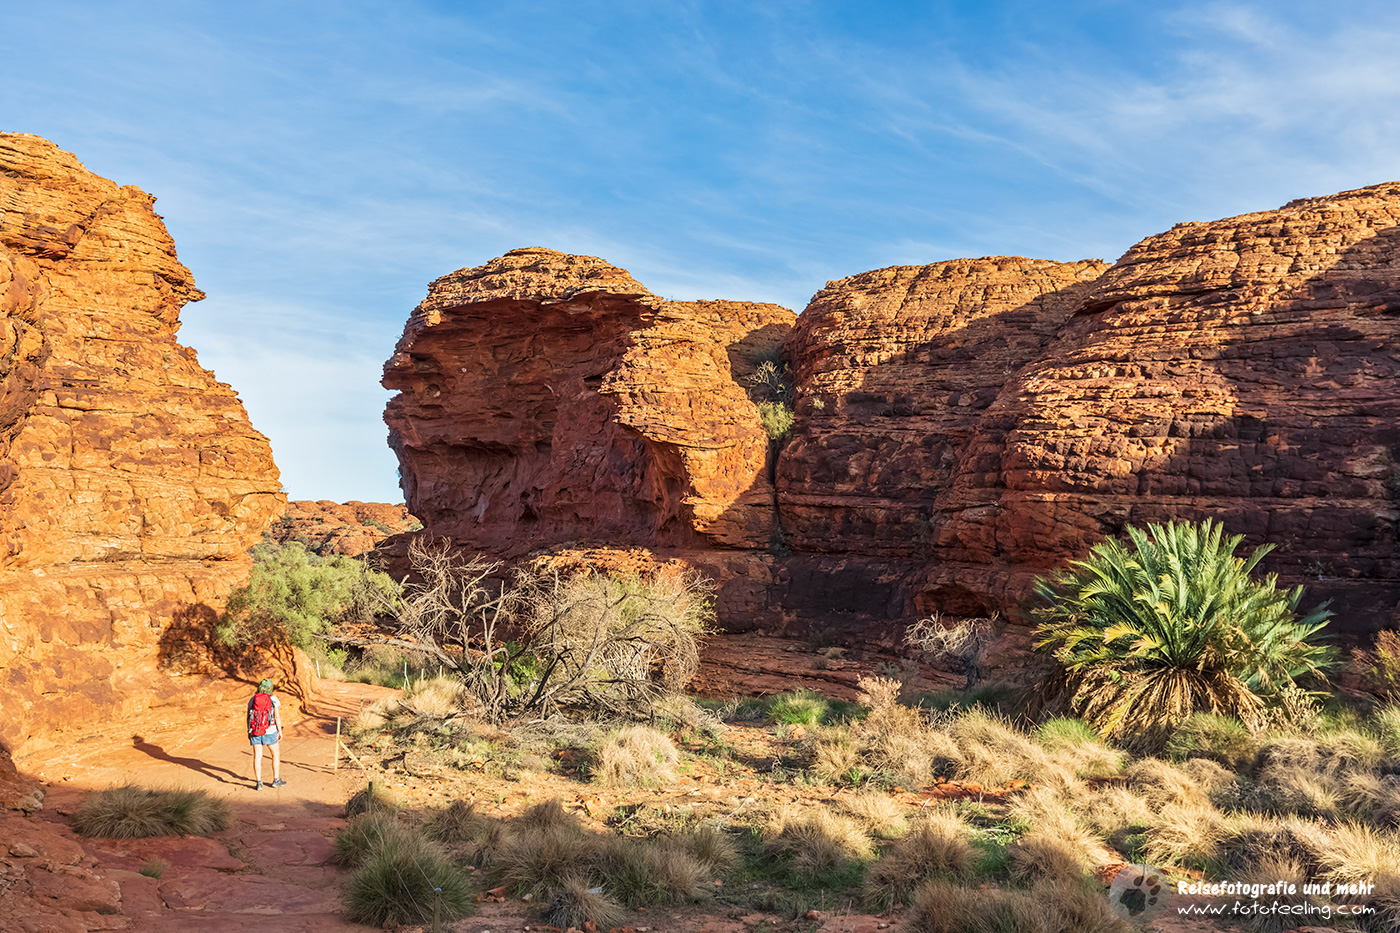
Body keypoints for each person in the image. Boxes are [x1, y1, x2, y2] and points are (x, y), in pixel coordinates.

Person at [246, 678, 286, 790]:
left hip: (255, 731)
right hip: (270, 730)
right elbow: (277, 716)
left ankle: (259, 782)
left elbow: (248, 717)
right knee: (275, 755)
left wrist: (249, 731)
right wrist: (279, 730)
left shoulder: (253, 699)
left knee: (257, 756)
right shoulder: (273, 699)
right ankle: (276, 780)